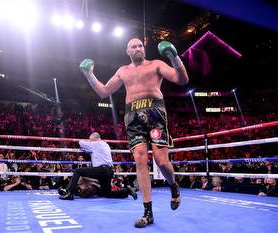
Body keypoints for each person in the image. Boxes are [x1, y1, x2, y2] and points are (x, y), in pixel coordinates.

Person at [79, 38, 189, 228]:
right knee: (139, 159)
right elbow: (104, 92)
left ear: (144, 49)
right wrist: (89, 75)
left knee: (161, 161)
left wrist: (174, 57)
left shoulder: (156, 64)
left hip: (155, 113)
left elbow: (182, 79)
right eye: (134, 46)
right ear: (127, 51)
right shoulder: (123, 71)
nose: (138, 48)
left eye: (140, 46)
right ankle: (148, 212)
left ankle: (173, 185)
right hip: (133, 116)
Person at [58, 132, 137, 200]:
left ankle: (68, 192)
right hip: (109, 171)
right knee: (107, 193)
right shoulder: (105, 144)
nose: (90, 142)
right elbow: (92, 151)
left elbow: (81, 142)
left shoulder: (96, 144)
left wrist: (87, 141)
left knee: (78, 171)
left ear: (95, 139)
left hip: (102, 170)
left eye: (90, 140)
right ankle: (126, 190)